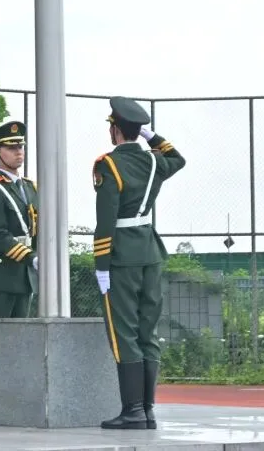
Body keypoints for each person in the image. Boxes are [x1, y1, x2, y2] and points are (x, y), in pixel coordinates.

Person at [92, 96, 186, 430]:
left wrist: (101, 263)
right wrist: (151, 136)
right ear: (137, 130)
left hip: (121, 255)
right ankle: (147, 410)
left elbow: (105, 219)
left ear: (115, 130)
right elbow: (178, 158)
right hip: (149, 251)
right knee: (148, 332)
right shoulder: (154, 161)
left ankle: (132, 410)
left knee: (124, 333)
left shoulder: (108, 165)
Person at [0, 120, 39, 318]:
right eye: (11, 148)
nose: (18, 152)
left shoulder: (31, 187)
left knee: (21, 335)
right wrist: (32, 257)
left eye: (20, 147)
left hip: (24, 276)